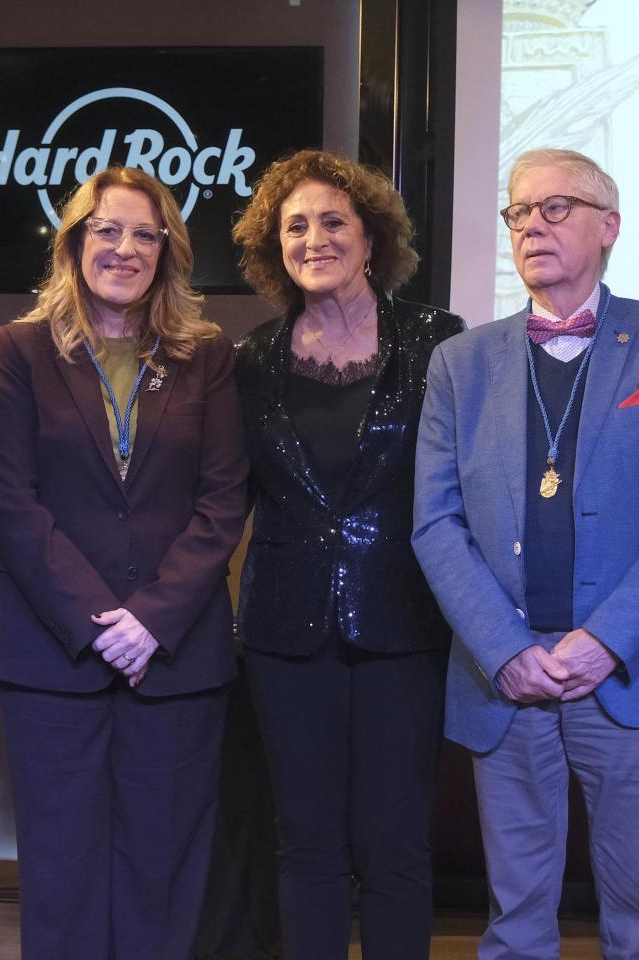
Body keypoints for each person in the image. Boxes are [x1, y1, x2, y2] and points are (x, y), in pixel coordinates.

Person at [411, 147, 639, 960]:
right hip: (505, 673)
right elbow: (436, 523)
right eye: (519, 212)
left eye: (557, 209)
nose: (533, 228)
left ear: (608, 226)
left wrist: (606, 640)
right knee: (514, 926)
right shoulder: (459, 361)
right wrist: (504, 648)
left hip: (628, 670)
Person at [0, 166, 248, 960]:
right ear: (74, 243)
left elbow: (224, 501)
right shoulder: (21, 350)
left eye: (143, 234)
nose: (124, 249)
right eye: (107, 231)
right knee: (61, 873)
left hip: (174, 659)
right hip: (52, 655)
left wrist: (150, 620)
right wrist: (100, 621)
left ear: (167, 250)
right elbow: (10, 497)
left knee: (160, 873)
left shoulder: (208, 356)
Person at [230, 148, 463, 959]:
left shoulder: (440, 342)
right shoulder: (251, 360)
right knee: (307, 843)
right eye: (295, 226)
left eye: (334, 221)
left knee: (396, 845)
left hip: (405, 623)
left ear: (372, 238)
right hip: (284, 632)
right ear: (274, 246)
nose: (314, 238)